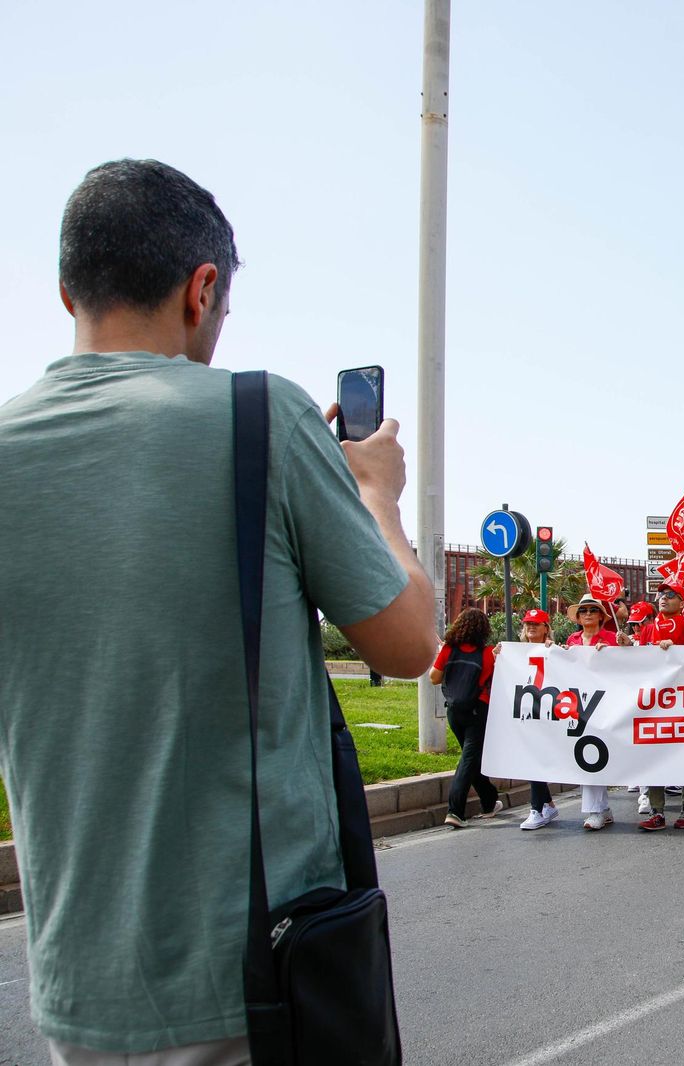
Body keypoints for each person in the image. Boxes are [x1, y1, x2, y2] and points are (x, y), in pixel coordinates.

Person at [0, 159, 439, 1061]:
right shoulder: (261, 417)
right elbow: (408, 643)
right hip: (253, 984)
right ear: (202, 290)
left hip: (75, 990)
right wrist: (376, 498)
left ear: (65, 290)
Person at [635, 582, 684, 830]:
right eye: (661, 594)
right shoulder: (647, 630)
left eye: (670, 595)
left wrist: (676, 653)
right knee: (654, 754)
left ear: (682, 601)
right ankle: (658, 811)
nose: (663, 598)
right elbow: (638, 663)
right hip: (654, 702)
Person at [431, 608, 505, 828]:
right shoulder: (487, 653)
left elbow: (433, 678)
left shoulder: (448, 650)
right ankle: (455, 811)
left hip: (454, 711)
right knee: (468, 759)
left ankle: (490, 801)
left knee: (470, 759)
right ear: (484, 630)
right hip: (477, 710)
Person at [562, 595, 619, 830]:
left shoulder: (610, 639)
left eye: (592, 610)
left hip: (604, 704)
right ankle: (601, 809)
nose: (587, 614)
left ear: (600, 616)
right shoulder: (572, 640)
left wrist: (613, 651)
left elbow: (625, 665)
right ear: (577, 617)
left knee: (595, 754)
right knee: (587, 754)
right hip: (579, 706)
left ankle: (597, 809)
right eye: (583, 610)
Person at [515, 609, 564, 830]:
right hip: (527, 712)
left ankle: (538, 808)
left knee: (535, 758)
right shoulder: (515, 652)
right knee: (531, 758)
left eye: (536, 623)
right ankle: (544, 805)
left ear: (546, 627)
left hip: (549, 712)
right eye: (528, 624)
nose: (531, 627)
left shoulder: (554, 650)